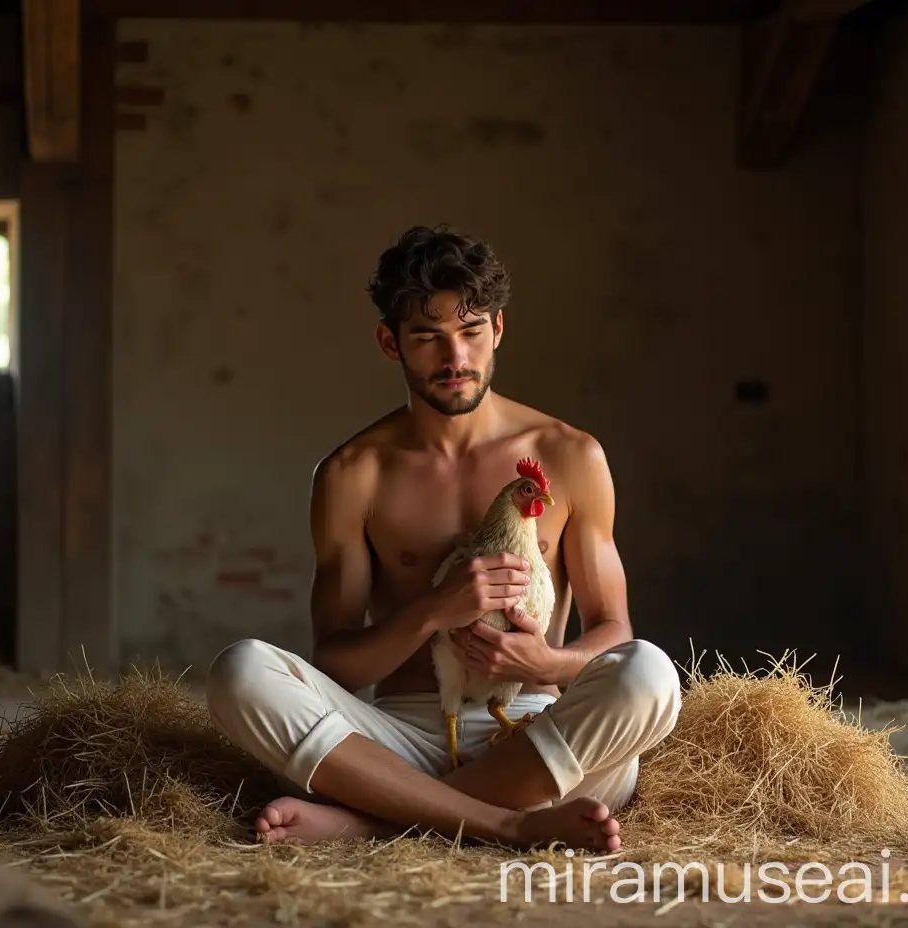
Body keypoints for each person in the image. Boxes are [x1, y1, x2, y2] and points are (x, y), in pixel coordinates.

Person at [205, 225, 682, 853]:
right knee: (240, 672)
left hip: (540, 738)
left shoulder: (571, 456)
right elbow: (339, 665)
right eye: (428, 338)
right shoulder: (354, 474)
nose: (455, 358)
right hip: (398, 738)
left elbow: (613, 629)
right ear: (390, 342)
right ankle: (503, 824)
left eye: (471, 332)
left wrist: (545, 664)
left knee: (650, 674)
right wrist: (431, 612)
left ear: (498, 331)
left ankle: (377, 822)